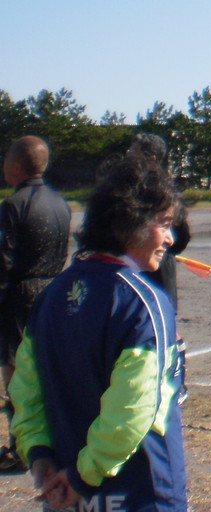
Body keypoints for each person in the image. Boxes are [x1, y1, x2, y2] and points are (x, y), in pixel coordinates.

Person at [10, 155, 186, 512]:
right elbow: (133, 409)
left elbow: (25, 393)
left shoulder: (51, 295)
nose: (170, 237)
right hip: (138, 493)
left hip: (65, 490)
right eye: (164, 223)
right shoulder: (142, 301)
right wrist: (82, 476)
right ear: (130, 221)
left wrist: (39, 456)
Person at [0, 137, 71, 473]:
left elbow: (4, 260)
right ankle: (52, 437)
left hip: (20, 293)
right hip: (53, 290)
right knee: (47, 367)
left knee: (16, 374)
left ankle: (20, 447)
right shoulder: (61, 203)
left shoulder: (14, 205)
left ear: (16, 167)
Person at [127, 134, 191, 308]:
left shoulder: (163, 191)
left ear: (151, 158)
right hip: (133, 272)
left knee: (164, 322)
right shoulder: (126, 187)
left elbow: (181, 237)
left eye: (134, 150)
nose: (128, 154)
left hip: (158, 272)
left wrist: (160, 248)